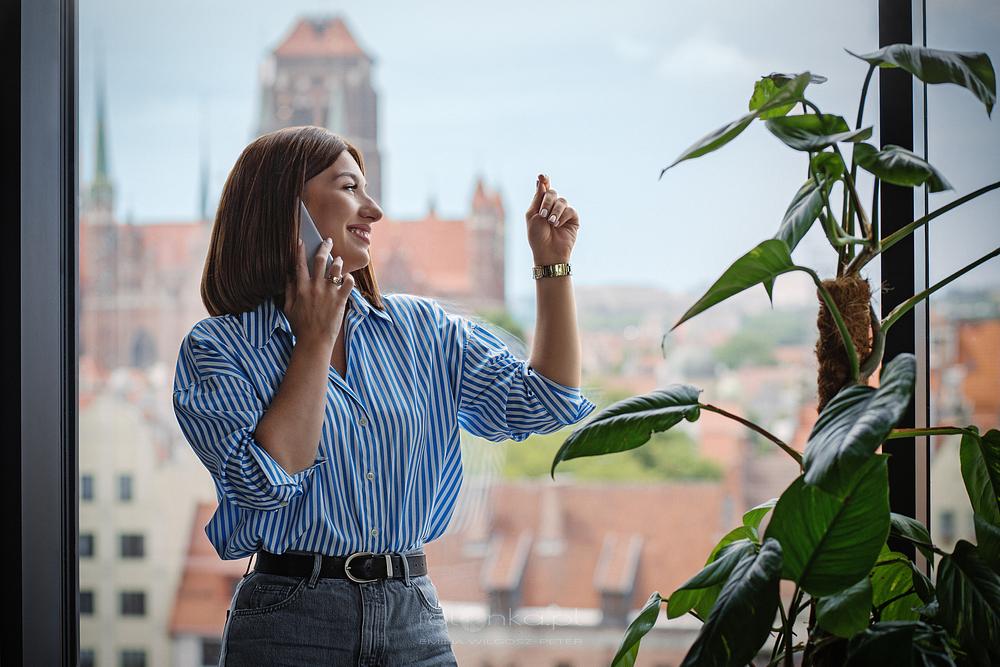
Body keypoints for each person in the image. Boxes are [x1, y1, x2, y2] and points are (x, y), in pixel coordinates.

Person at [171, 125, 596, 666]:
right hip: (289, 625)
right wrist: (315, 339)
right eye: (350, 188)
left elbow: (547, 402)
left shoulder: (420, 329)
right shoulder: (218, 349)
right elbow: (263, 482)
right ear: (288, 210)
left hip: (412, 619)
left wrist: (552, 265)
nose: (373, 210)